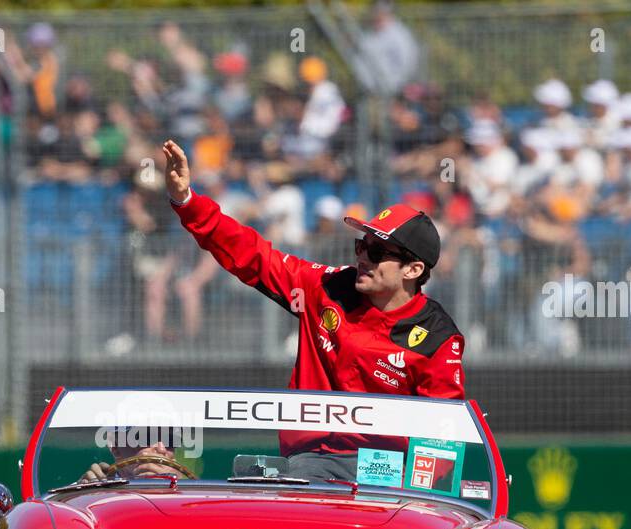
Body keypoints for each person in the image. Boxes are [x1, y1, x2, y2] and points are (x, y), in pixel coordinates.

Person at [163, 138, 464, 481]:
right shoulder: (327, 286)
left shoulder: (438, 336)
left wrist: (408, 497)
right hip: (310, 464)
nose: (362, 257)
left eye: (378, 253)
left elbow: (443, 443)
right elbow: (254, 256)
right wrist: (186, 201)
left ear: (412, 270)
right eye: (361, 245)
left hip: (385, 477)